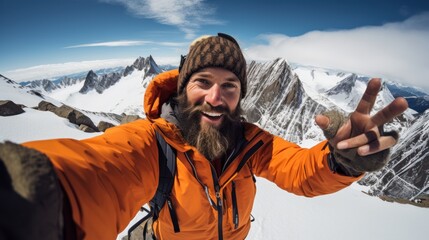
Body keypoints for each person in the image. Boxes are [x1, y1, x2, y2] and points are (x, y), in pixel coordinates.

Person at [0, 33, 408, 240]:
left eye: (230, 85)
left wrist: (341, 160)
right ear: (182, 88)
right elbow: (100, 171)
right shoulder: (151, 142)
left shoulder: (250, 142)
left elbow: (300, 170)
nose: (216, 97)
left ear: (241, 96)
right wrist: (38, 194)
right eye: (203, 82)